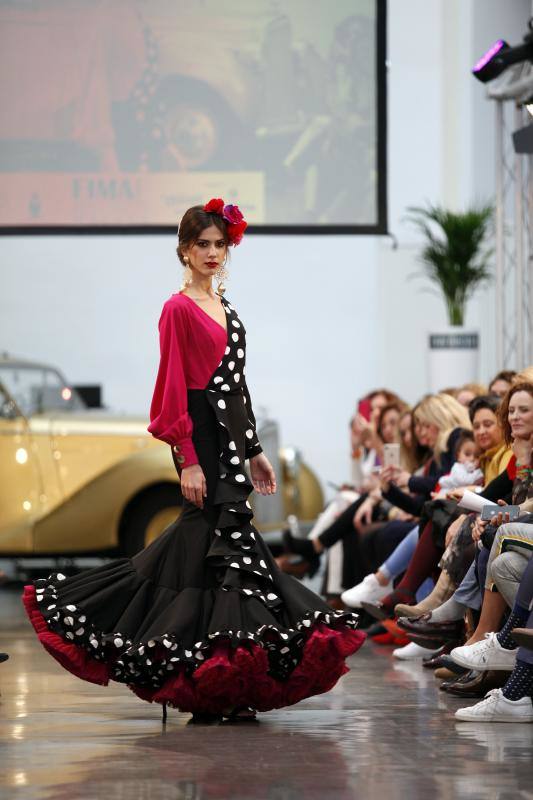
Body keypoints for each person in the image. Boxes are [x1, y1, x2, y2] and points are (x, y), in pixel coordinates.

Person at [22, 199, 364, 722]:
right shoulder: (178, 308)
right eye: (201, 244)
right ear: (184, 249)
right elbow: (173, 388)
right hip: (202, 441)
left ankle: (210, 681)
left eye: (218, 244)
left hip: (229, 442)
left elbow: (236, 387)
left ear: (228, 250)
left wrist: (254, 451)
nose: (211, 252)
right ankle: (205, 672)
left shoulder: (225, 305)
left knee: (205, 556)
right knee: (222, 552)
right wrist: (187, 458)